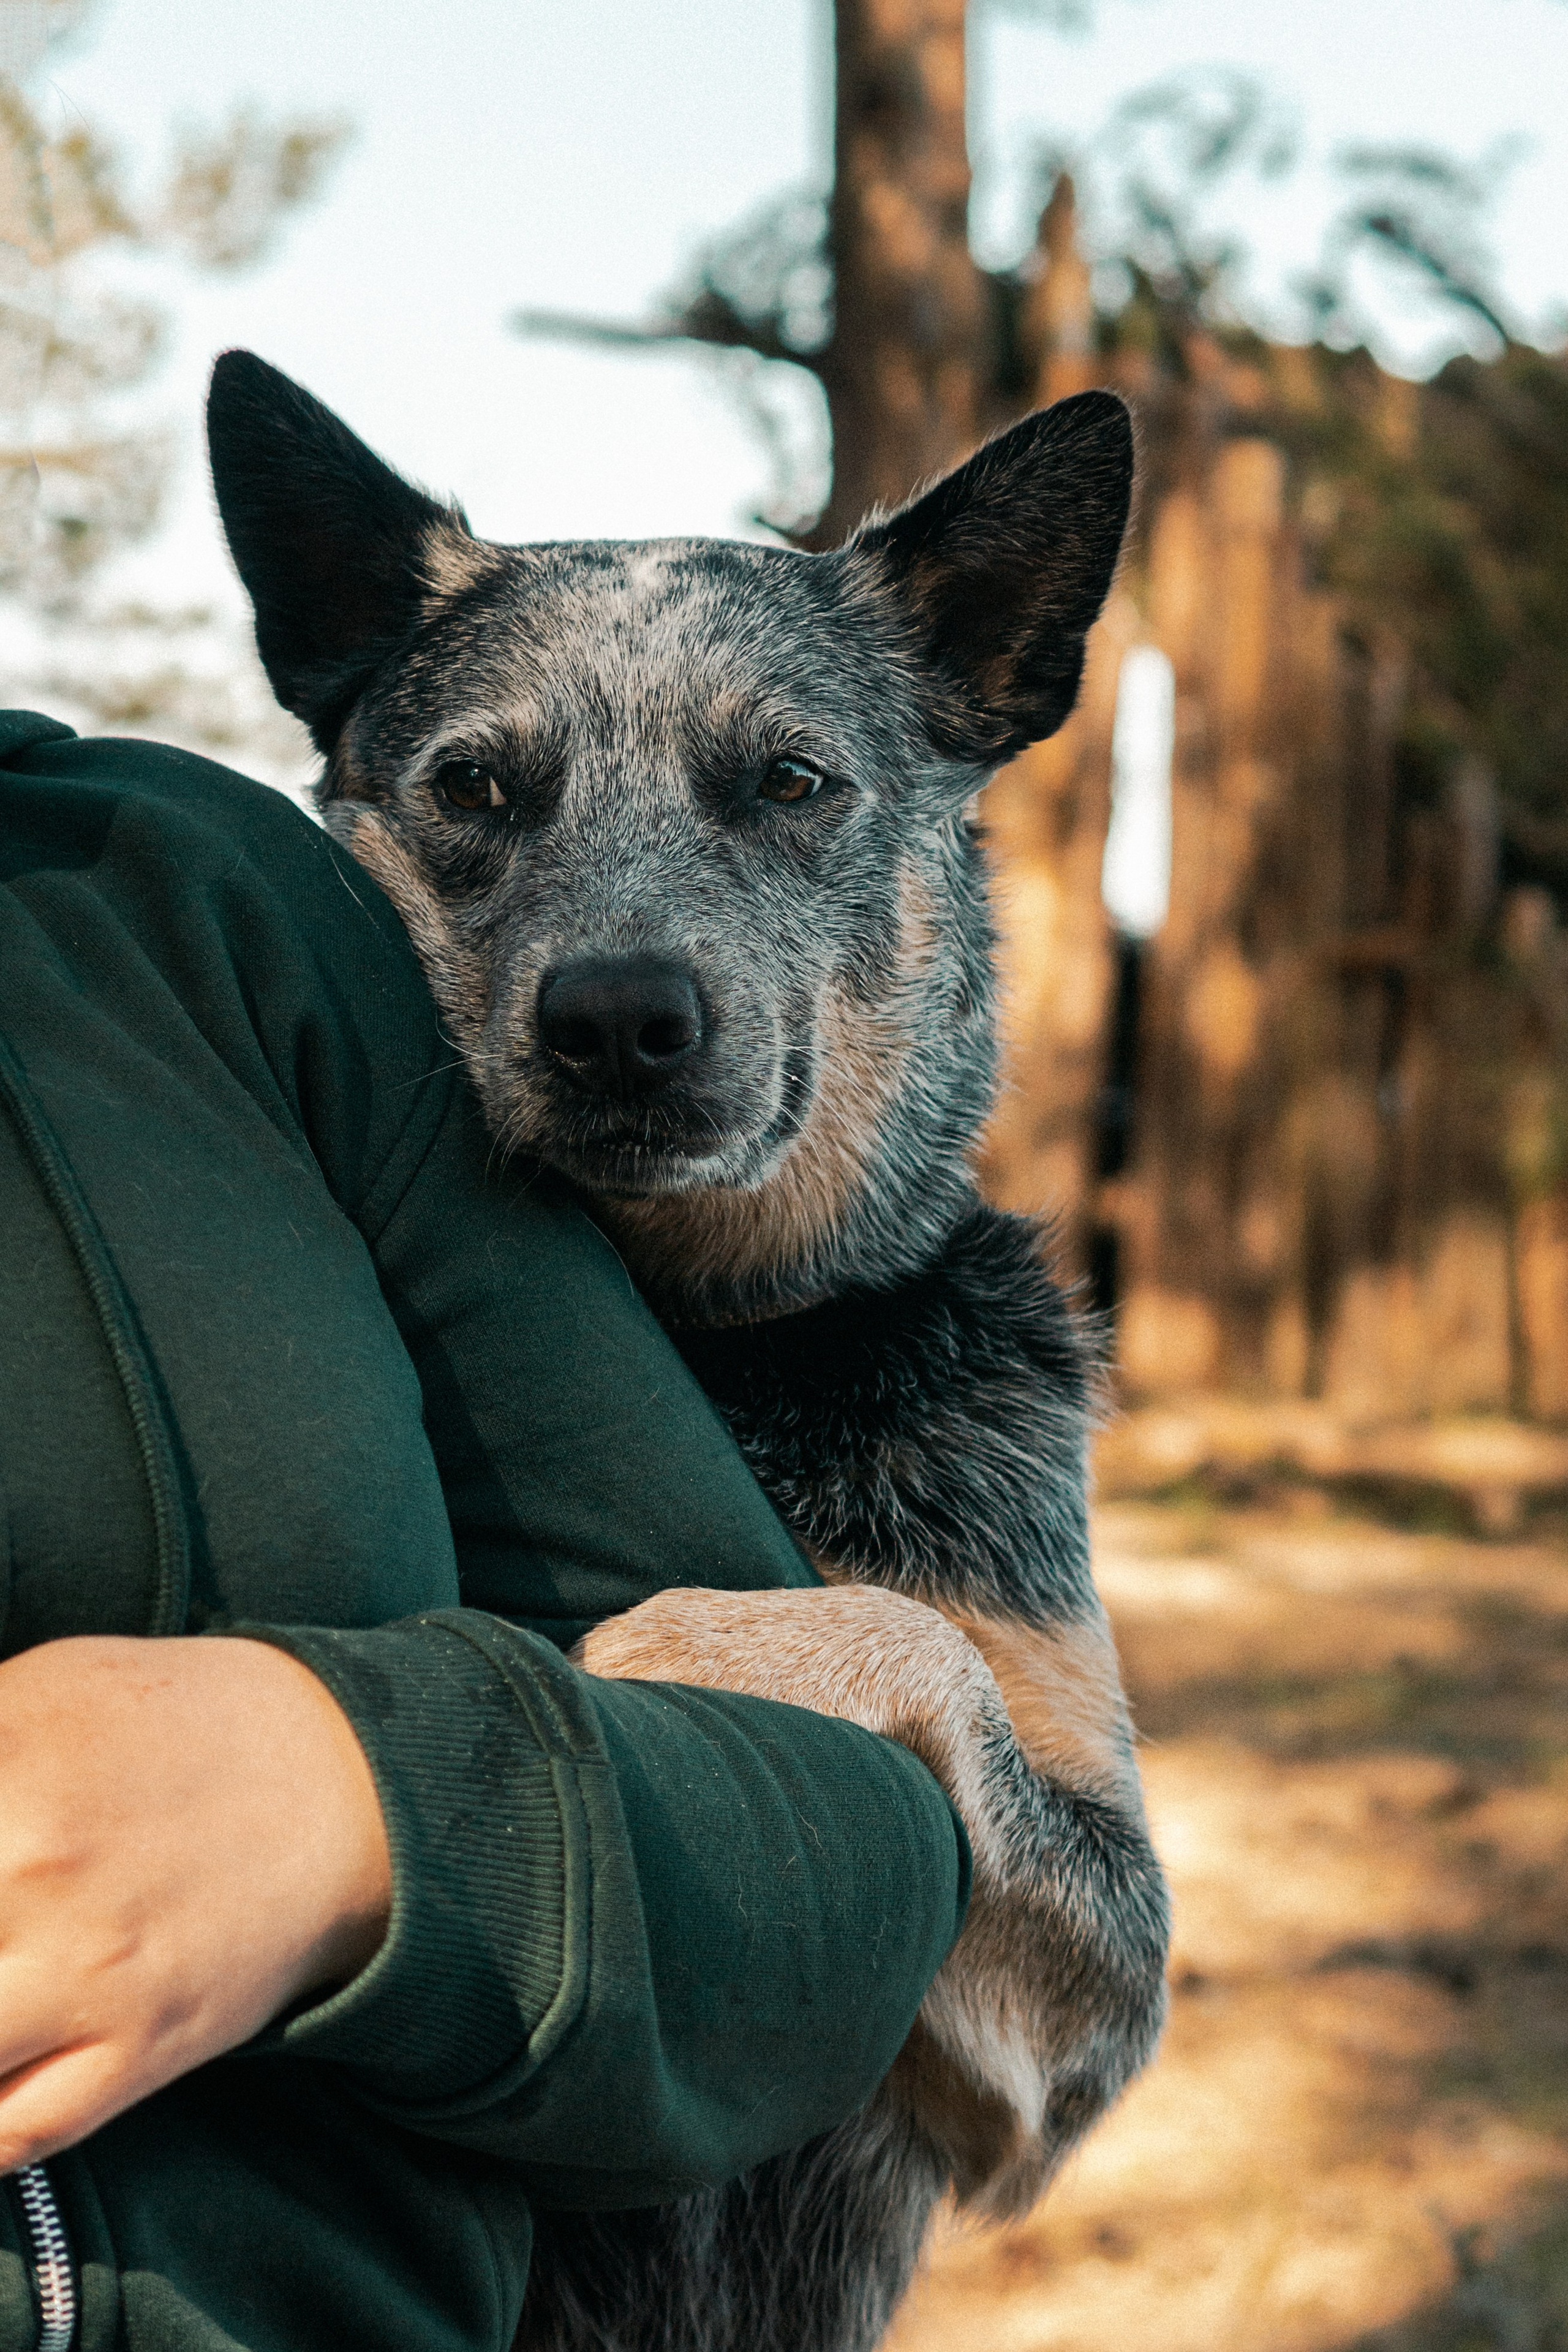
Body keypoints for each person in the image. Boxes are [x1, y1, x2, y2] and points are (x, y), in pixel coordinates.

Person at [0, 710, 970, 2352]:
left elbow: (850, 1858)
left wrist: (364, 1811)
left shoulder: (175, 894)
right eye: (484, 800)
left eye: (784, 791)